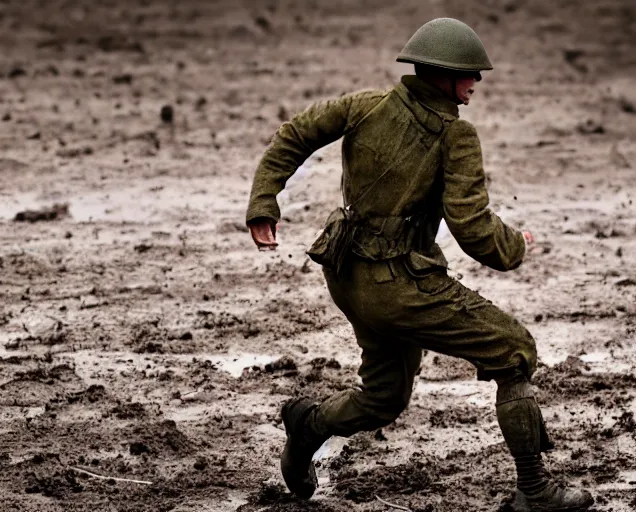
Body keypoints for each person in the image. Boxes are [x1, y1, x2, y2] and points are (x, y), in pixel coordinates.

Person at [245, 18, 594, 512]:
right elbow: (472, 227)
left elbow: (293, 135)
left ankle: (308, 424)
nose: (477, 82)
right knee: (514, 351)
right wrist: (517, 246)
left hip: (345, 275)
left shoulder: (363, 105)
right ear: (445, 76)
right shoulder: (457, 135)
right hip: (399, 287)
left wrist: (263, 205)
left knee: (384, 397)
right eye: (471, 73)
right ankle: (535, 491)